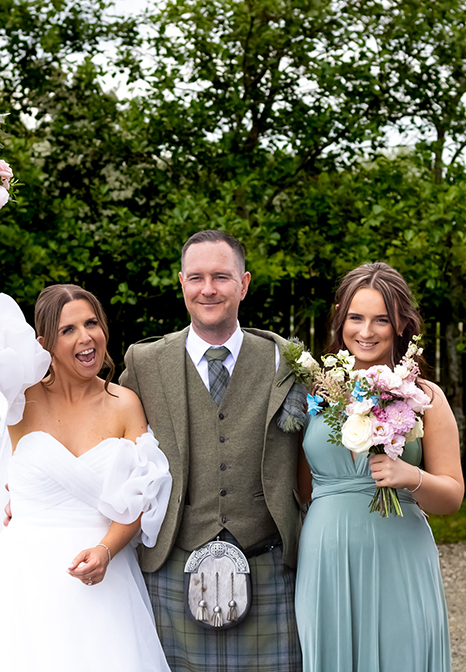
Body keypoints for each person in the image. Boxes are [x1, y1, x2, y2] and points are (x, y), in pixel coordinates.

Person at [0, 246, 173, 672]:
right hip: (22, 581)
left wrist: (106, 551)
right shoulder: (23, 399)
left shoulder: (125, 404)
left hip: (102, 582)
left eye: (92, 323)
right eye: (68, 330)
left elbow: (142, 498)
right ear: (44, 345)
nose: (86, 337)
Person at [119, 230, 305, 672]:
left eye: (221, 277)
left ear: (244, 284)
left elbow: (325, 447)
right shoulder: (144, 363)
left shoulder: (288, 361)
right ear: (181, 282)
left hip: (269, 562)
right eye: (197, 277)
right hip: (173, 562)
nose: (208, 289)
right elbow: (107, 441)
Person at [294, 262, 463, 671]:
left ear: (401, 324)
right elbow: (302, 489)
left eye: (381, 320)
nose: (366, 331)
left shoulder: (425, 397)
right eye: (356, 317)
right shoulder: (316, 390)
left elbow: (453, 496)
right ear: (341, 318)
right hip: (326, 557)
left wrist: (412, 477)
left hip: (399, 555)